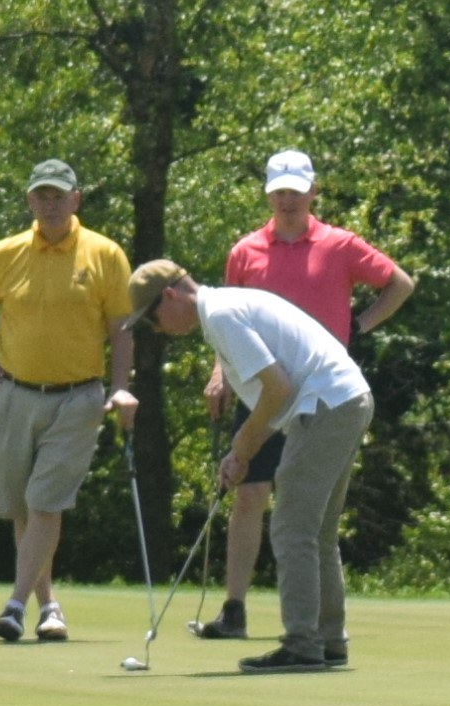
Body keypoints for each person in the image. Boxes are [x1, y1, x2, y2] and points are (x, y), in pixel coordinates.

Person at [193, 150, 413, 641]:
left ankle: (309, 636)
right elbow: (226, 320)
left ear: (314, 191)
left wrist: (358, 327)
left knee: (306, 520)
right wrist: (220, 375)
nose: (288, 199)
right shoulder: (245, 250)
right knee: (249, 493)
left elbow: (399, 283)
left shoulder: (339, 244)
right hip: (263, 390)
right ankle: (234, 608)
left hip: (317, 393)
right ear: (268, 194)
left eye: (296, 190)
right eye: (279, 191)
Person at [128, 257, 372, 673]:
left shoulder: (221, 315)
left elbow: (278, 389)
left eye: (152, 320)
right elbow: (276, 396)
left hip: (328, 404)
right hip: (346, 398)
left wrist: (242, 446)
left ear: (169, 295)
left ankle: (302, 644)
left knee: (292, 528)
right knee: (318, 532)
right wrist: (243, 452)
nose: (158, 330)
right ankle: (329, 640)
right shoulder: (226, 307)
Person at [0, 159, 139, 643]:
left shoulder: (104, 253)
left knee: (44, 501)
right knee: (25, 508)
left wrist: (121, 386)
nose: (51, 204)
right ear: (30, 201)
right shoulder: (7, 252)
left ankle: (15, 605)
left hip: (78, 397)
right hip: (14, 392)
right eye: (42, 196)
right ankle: (50, 607)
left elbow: (122, 328)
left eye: (59, 195)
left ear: (76, 199)